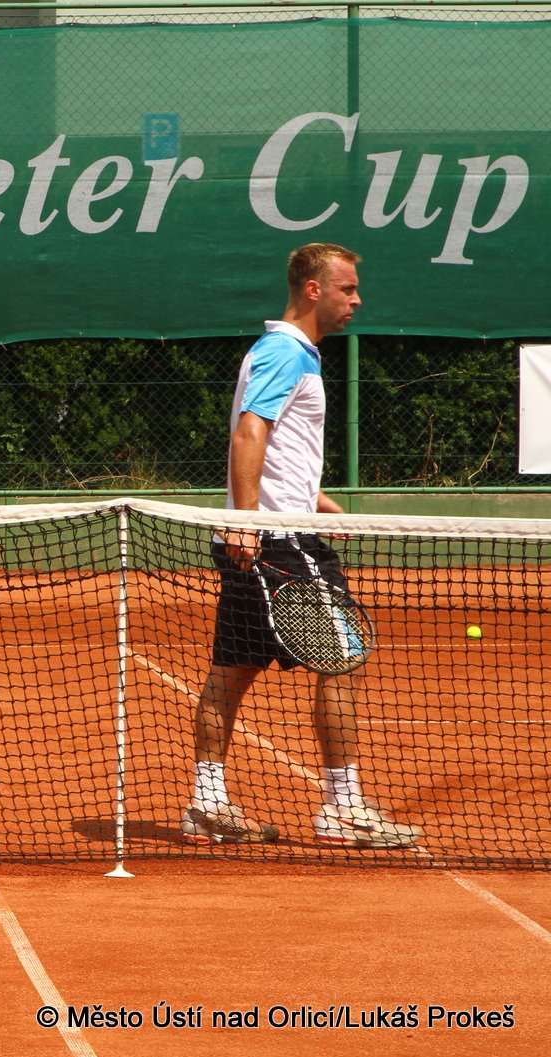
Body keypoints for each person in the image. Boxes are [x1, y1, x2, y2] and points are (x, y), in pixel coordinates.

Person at [184, 242, 420, 850]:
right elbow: (249, 433)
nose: (357, 300)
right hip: (279, 543)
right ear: (314, 290)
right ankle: (343, 807)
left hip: (268, 533)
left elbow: (277, 448)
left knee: (232, 671)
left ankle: (206, 803)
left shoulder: (286, 353)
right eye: (348, 289)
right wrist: (247, 521)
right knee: (343, 661)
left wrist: (316, 499)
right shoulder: (285, 352)